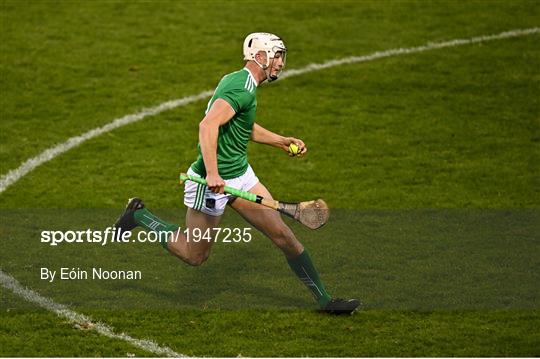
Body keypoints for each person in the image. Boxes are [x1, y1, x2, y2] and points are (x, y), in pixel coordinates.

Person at [115, 32, 360, 315]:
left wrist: (281, 141)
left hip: (240, 175)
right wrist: (214, 174)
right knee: (195, 256)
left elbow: (244, 126)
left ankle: (325, 300)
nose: (281, 62)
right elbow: (207, 126)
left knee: (283, 235)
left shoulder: (243, 84)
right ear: (261, 56)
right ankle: (139, 216)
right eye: (277, 55)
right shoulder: (241, 88)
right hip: (209, 183)